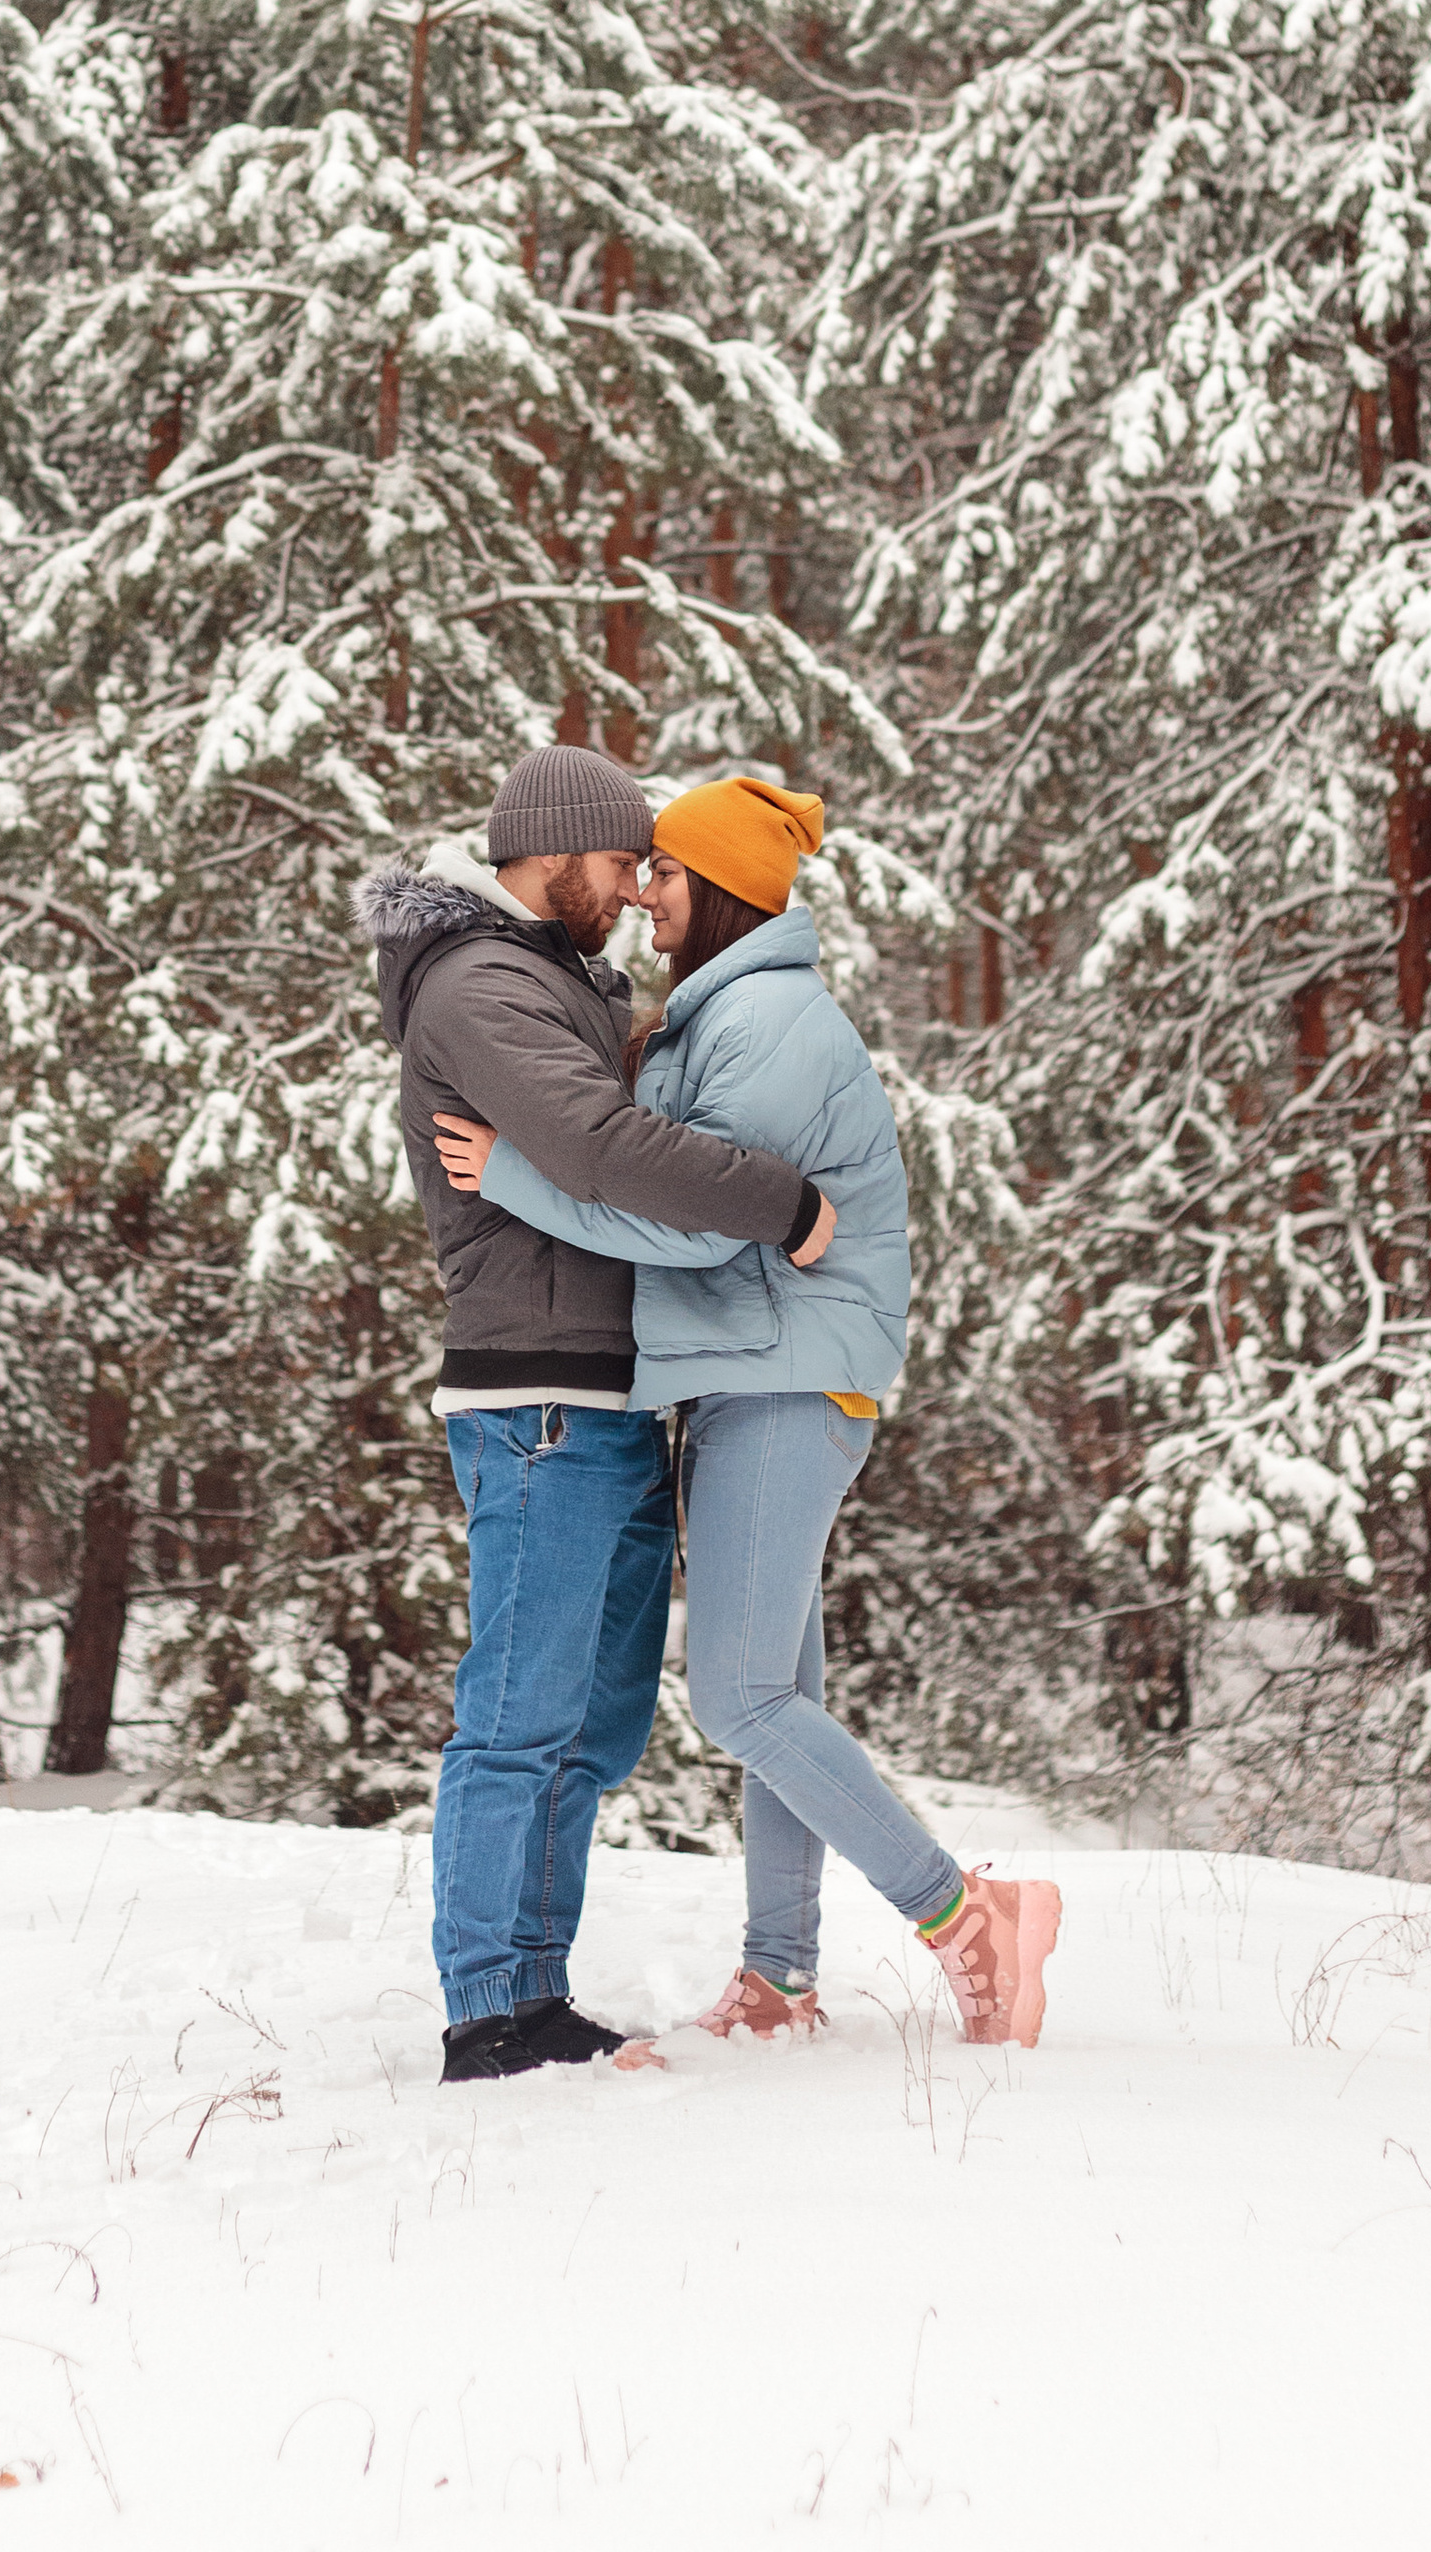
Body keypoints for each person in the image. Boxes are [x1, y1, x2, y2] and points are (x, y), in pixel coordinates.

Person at [435, 774, 1062, 2050]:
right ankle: (779, 1976)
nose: (643, 893)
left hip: (781, 1371)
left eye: (664, 873)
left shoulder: (765, 1018)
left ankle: (966, 1915)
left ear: (716, 889)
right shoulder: (712, 1015)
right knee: (779, 1689)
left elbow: (682, 1217)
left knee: (736, 1699)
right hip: (743, 1372)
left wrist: (510, 1176)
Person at [356, 743, 841, 2086]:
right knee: (522, 1712)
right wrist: (785, 1205)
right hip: (541, 1398)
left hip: (610, 1393)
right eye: (625, 865)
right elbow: (597, 1148)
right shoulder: (481, 983)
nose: (636, 893)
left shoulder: (558, 981)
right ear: (556, 851)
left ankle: (530, 1990)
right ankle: (491, 2013)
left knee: (595, 1720)